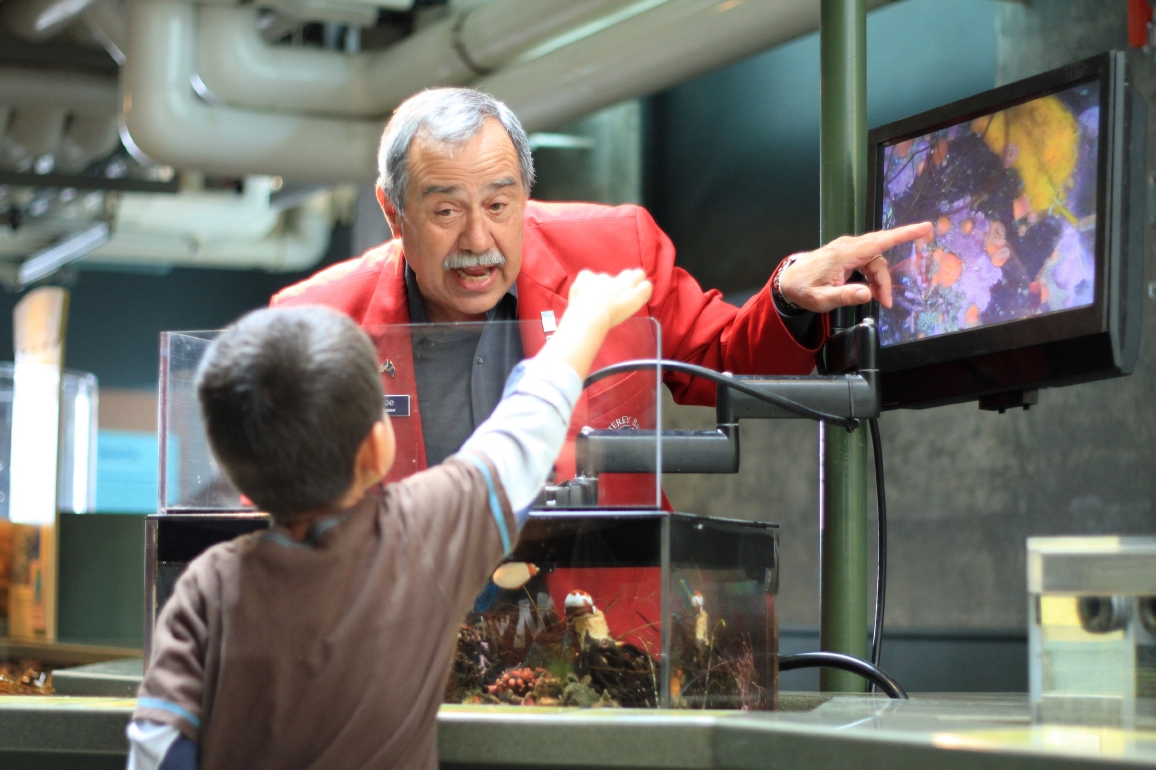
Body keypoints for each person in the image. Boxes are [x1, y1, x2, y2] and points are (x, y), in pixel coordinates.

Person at [125, 268, 653, 770]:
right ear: (378, 448)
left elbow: (156, 754)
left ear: (236, 473)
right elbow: (525, 429)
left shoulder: (209, 586)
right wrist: (588, 314)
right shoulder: (417, 534)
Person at [272, 87, 932, 491]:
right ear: (395, 213)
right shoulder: (313, 321)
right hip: (409, 643)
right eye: (446, 212)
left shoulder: (616, 249)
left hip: (599, 634)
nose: (478, 240)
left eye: (500, 206)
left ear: (525, 193)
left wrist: (787, 293)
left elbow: (725, 360)